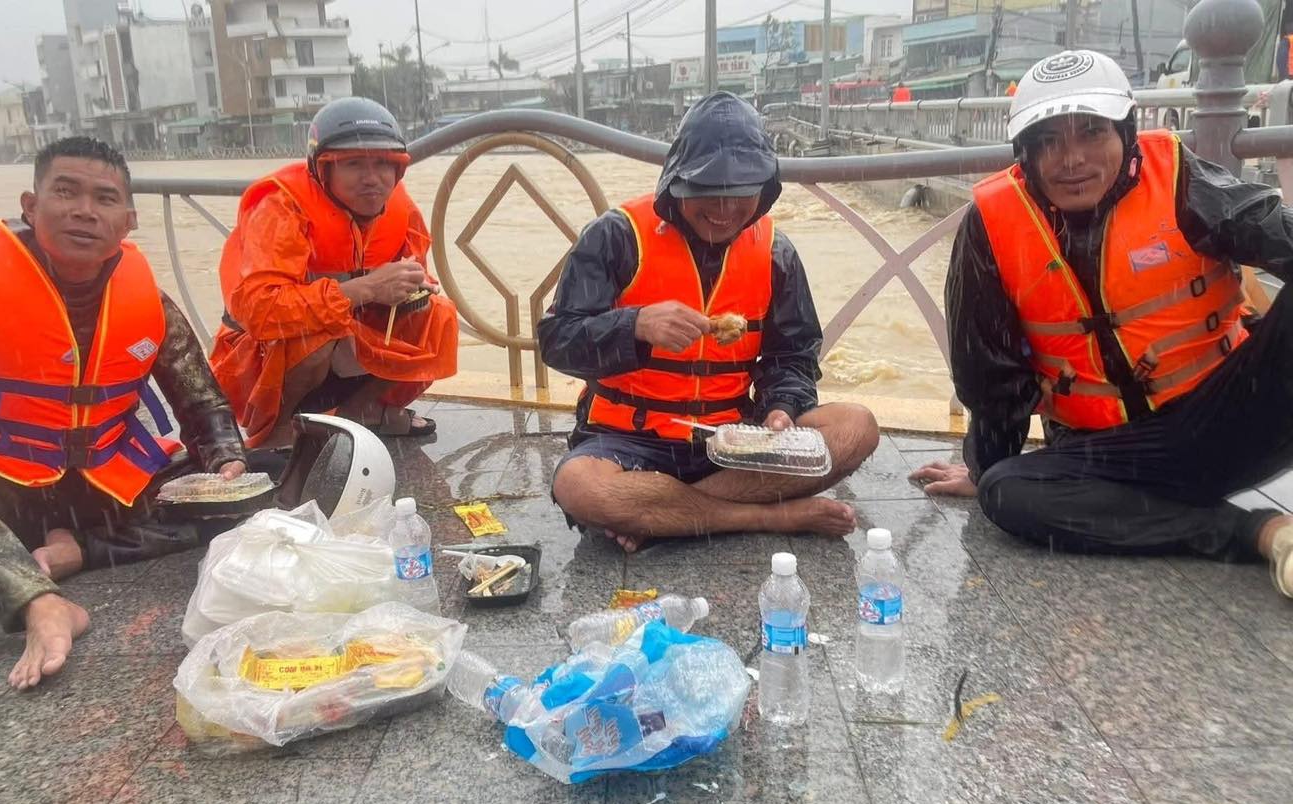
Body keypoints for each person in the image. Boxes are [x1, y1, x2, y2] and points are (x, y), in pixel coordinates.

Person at [0, 137, 248, 688]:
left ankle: (76, 553)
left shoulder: (147, 300)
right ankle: (40, 603)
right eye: (66, 192)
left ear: (128, 220)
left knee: (255, 487)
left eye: (105, 199)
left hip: (99, 496)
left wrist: (226, 461)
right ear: (30, 206)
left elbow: (202, 402)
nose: (85, 210)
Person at [909, 50, 1293, 598]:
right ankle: (1258, 532)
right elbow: (988, 370)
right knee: (1007, 493)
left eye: (1092, 133)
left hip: (1230, 418)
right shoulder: (992, 224)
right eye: (1049, 141)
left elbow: (1278, 231)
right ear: (1026, 153)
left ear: (1126, 133)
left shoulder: (1185, 183)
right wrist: (985, 466)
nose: (1072, 160)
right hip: (1111, 453)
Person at [540, 92, 880, 553]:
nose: (723, 210)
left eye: (740, 194)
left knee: (856, 427)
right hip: (627, 442)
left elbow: (792, 356)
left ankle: (665, 516)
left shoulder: (777, 252)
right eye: (707, 192)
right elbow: (557, 341)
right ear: (676, 182)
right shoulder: (615, 236)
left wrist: (783, 405)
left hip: (730, 443)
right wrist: (634, 325)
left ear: (764, 188)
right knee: (579, 485)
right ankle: (766, 518)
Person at [210, 97, 459, 448]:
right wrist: (365, 288)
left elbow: (416, 276)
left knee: (437, 317)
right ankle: (278, 431)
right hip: (261, 356)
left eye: (384, 165)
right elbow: (260, 312)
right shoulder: (281, 207)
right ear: (322, 169)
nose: (372, 179)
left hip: (349, 335)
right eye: (354, 164)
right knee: (316, 333)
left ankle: (364, 411)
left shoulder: (400, 208)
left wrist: (411, 291)